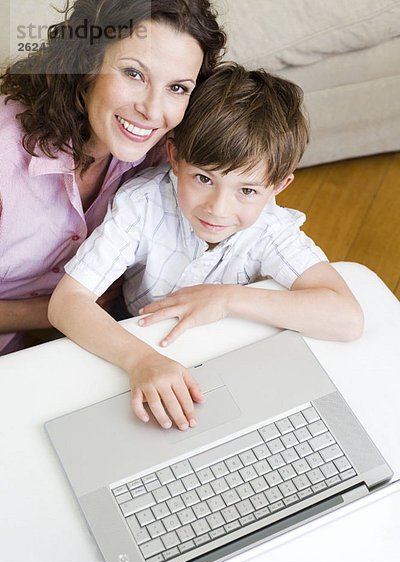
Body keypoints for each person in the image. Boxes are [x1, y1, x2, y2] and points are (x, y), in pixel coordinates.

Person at [48, 63, 364, 432]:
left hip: (222, 356)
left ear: (278, 186)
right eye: (203, 178)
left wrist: (225, 298)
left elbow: (347, 317)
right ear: (175, 158)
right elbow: (66, 302)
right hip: (140, 342)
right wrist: (140, 360)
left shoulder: (270, 227)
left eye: (246, 191)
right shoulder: (142, 205)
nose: (218, 208)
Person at [0, 0, 225, 355]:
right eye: (134, 74)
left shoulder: (162, 149)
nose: (152, 110)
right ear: (86, 64)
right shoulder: (4, 159)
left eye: (178, 88)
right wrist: (57, 311)